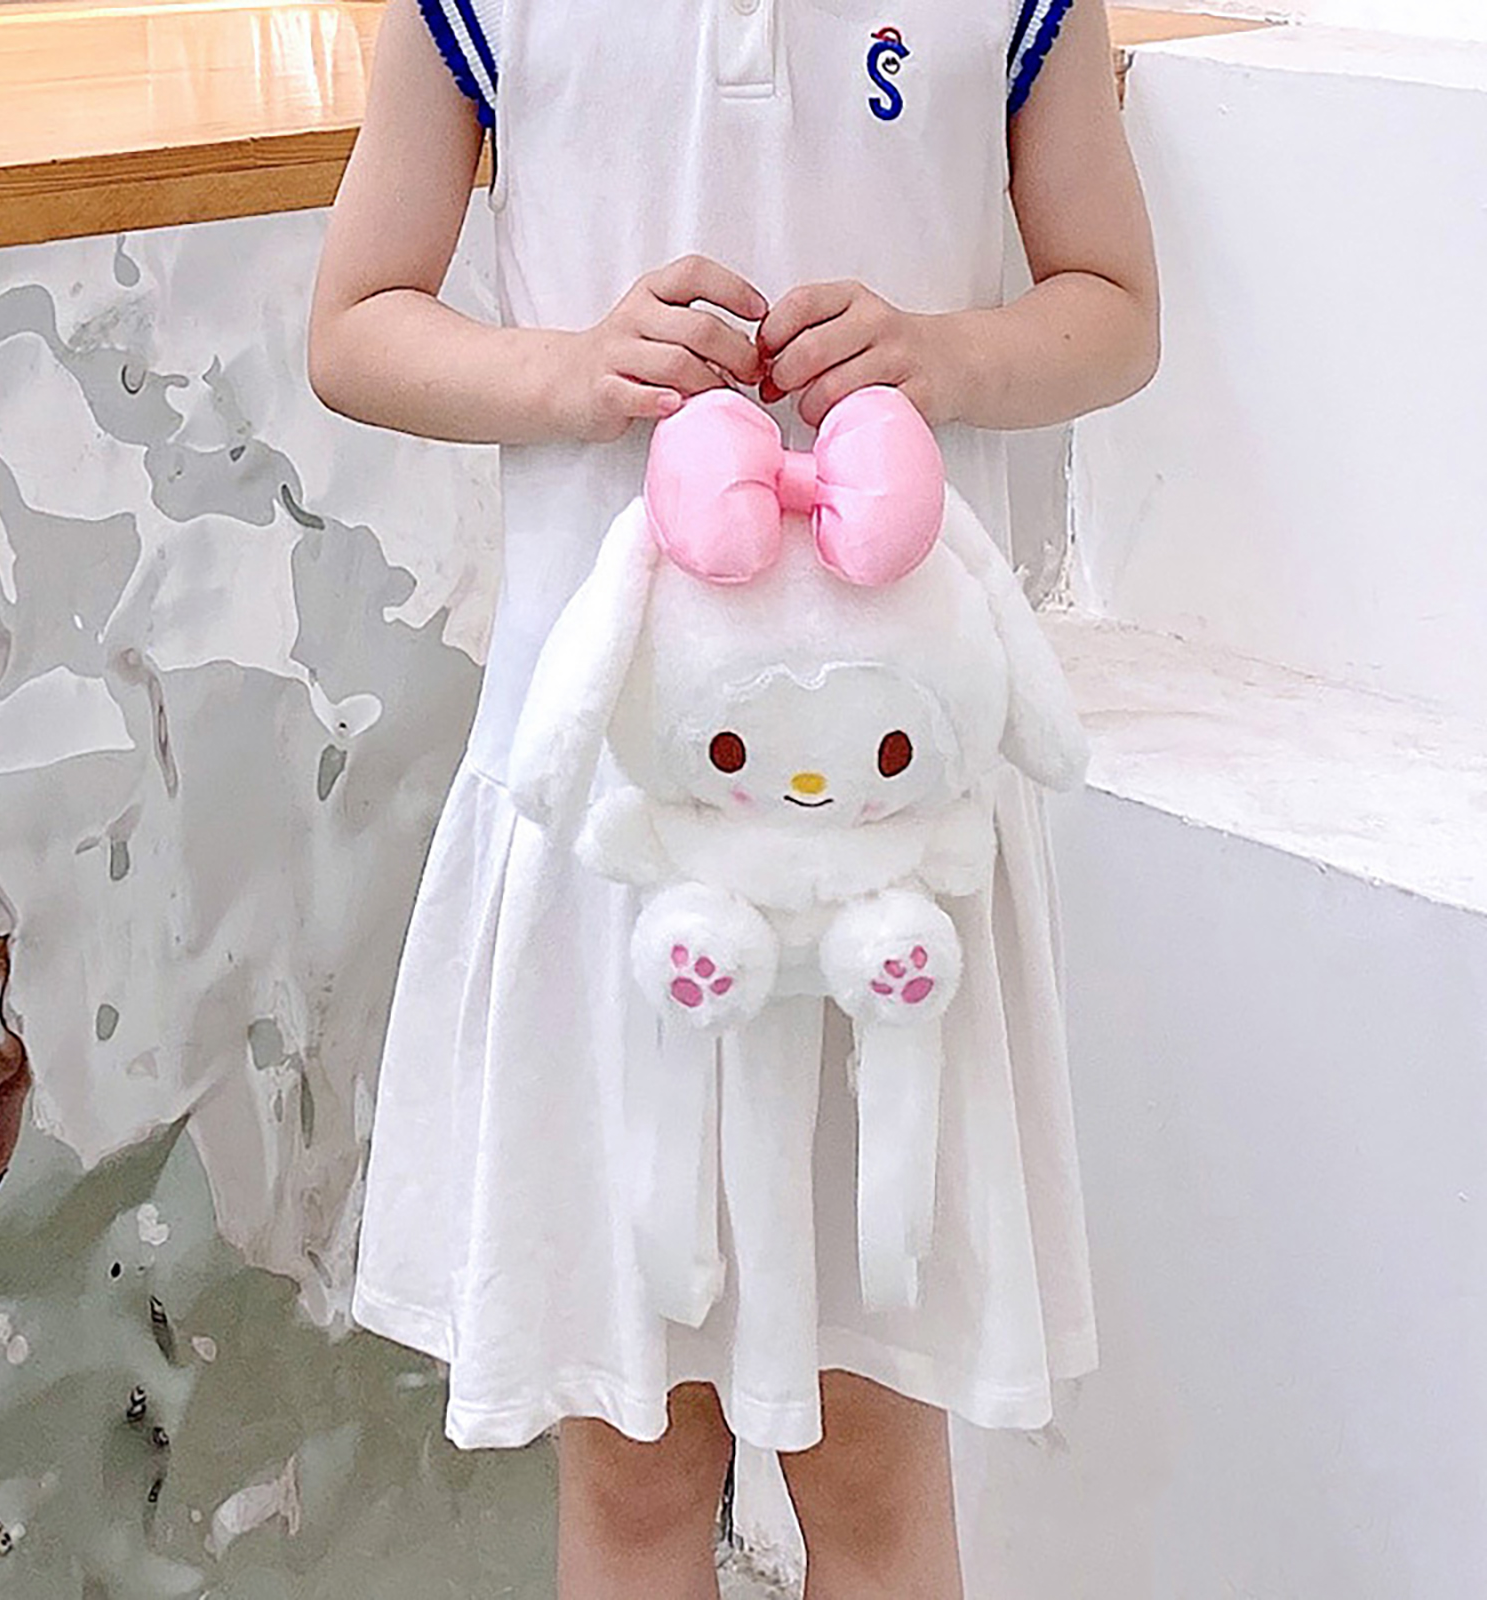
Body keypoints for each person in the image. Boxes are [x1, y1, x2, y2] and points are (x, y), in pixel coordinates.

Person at [308, 1, 1158, 1594]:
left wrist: (949, 353)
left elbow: (1115, 307)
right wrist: (572, 370)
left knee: (875, 1457)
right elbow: (355, 323)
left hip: (893, 843)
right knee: (632, 1465)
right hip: (610, 824)